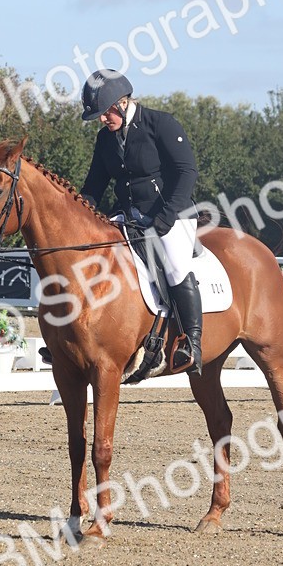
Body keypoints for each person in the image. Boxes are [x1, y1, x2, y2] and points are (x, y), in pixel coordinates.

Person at [80, 70, 203, 374]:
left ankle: (192, 343)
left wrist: (165, 218)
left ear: (122, 103)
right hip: (128, 216)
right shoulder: (105, 139)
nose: (102, 120)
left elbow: (187, 172)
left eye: (105, 113)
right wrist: (80, 215)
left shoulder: (160, 124)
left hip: (171, 214)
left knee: (174, 266)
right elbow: (94, 186)